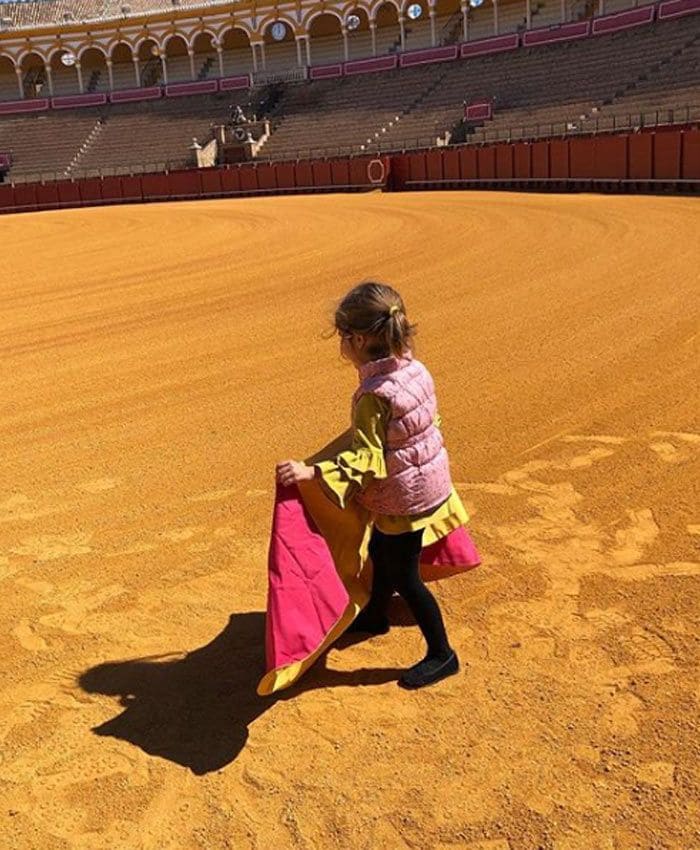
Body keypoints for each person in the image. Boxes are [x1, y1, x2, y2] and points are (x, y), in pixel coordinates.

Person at [276, 281, 471, 690]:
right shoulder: (415, 368)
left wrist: (312, 473)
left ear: (360, 339)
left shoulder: (373, 396)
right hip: (426, 481)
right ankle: (377, 614)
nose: (342, 346)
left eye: (343, 337)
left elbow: (366, 460)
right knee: (383, 550)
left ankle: (442, 653)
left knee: (405, 576)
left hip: (403, 497)